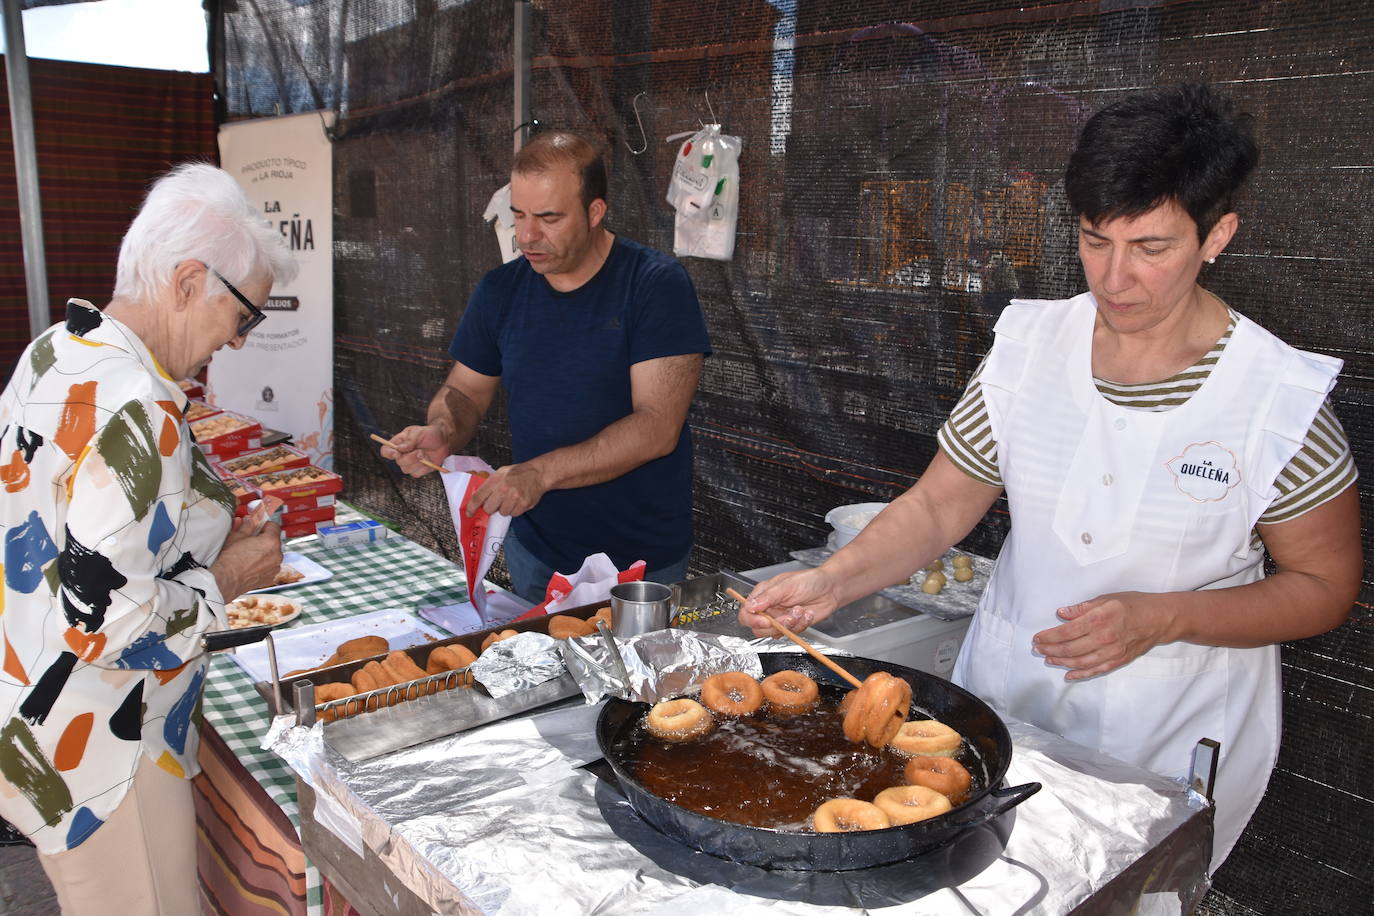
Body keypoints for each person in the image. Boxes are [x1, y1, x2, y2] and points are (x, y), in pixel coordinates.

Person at [738, 84, 1361, 872]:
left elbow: (1324, 583)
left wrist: (1162, 616)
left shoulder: (1276, 400)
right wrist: (834, 581)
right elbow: (938, 505)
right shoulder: (1030, 349)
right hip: (1008, 698)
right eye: (1096, 240)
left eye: (1152, 248)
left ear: (1218, 236)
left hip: (1167, 724)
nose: (1115, 277)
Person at [0, 162, 293, 912]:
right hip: (107, 749)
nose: (237, 340)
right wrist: (228, 578)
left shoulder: (57, 350)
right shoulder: (143, 407)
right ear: (189, 281)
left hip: (32, 712)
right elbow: (110, 620)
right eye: (244, 316)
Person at [383, 131, 711, 604]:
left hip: (640, 558)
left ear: (595, 212)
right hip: (537, 547)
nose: (527, 235)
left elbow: (658, 426)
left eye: (548, 217)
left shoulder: (655, 285)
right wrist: (441, 430)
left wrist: (538, 474)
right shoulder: (501, 289)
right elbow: (466, 390)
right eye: (518, 214)